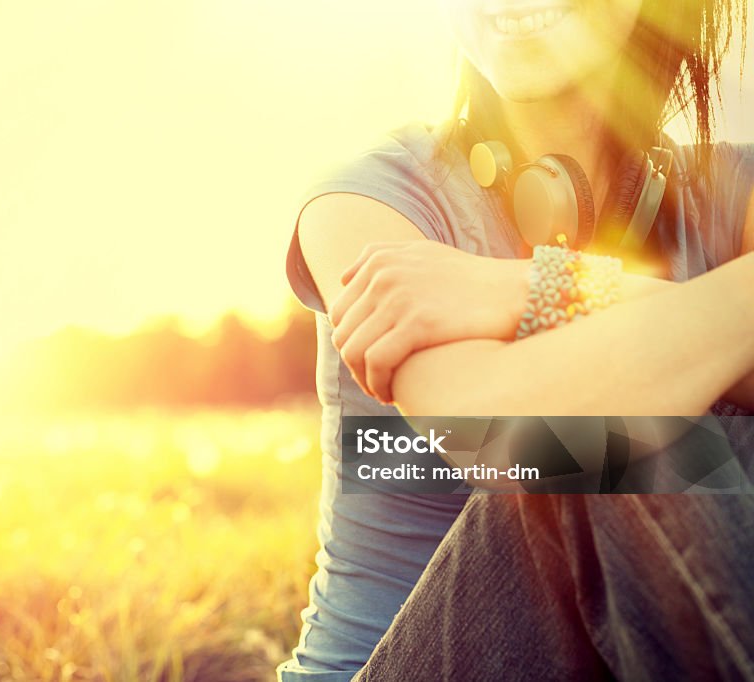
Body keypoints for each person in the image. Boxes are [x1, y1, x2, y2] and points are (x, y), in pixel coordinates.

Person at [277, 0, 754, 679]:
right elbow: (504, 431)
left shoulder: (737, 192)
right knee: (607, 443)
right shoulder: (366, 203)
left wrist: (537, 287)